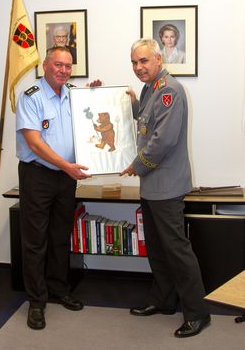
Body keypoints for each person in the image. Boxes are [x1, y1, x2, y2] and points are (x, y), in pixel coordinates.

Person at [120, 39, 210, 338]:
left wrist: (137, 165)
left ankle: (197, 313)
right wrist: (126, 100)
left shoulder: (169, 89)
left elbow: (164, 139)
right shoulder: (150, 88)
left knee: (177, 250)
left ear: (158, 59)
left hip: (167, 185)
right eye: (134, 62)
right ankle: (163, 301)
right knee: (157, 249)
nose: (138, 67)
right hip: (152, 185)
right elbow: (146, 120)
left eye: (144, 61)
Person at [16, 46, 100, 330]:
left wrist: (98, 95)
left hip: (66, 179)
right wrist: (66, 166)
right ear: (45, 65)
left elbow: (92, 117)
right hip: (38, 176)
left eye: (68, 66)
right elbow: (34, 143)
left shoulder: (74, 94)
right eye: (58, 65)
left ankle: (59, 289)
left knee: (60, 236)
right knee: (35, 240)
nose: (64, 70)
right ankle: (36, 302)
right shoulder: (31, 97)